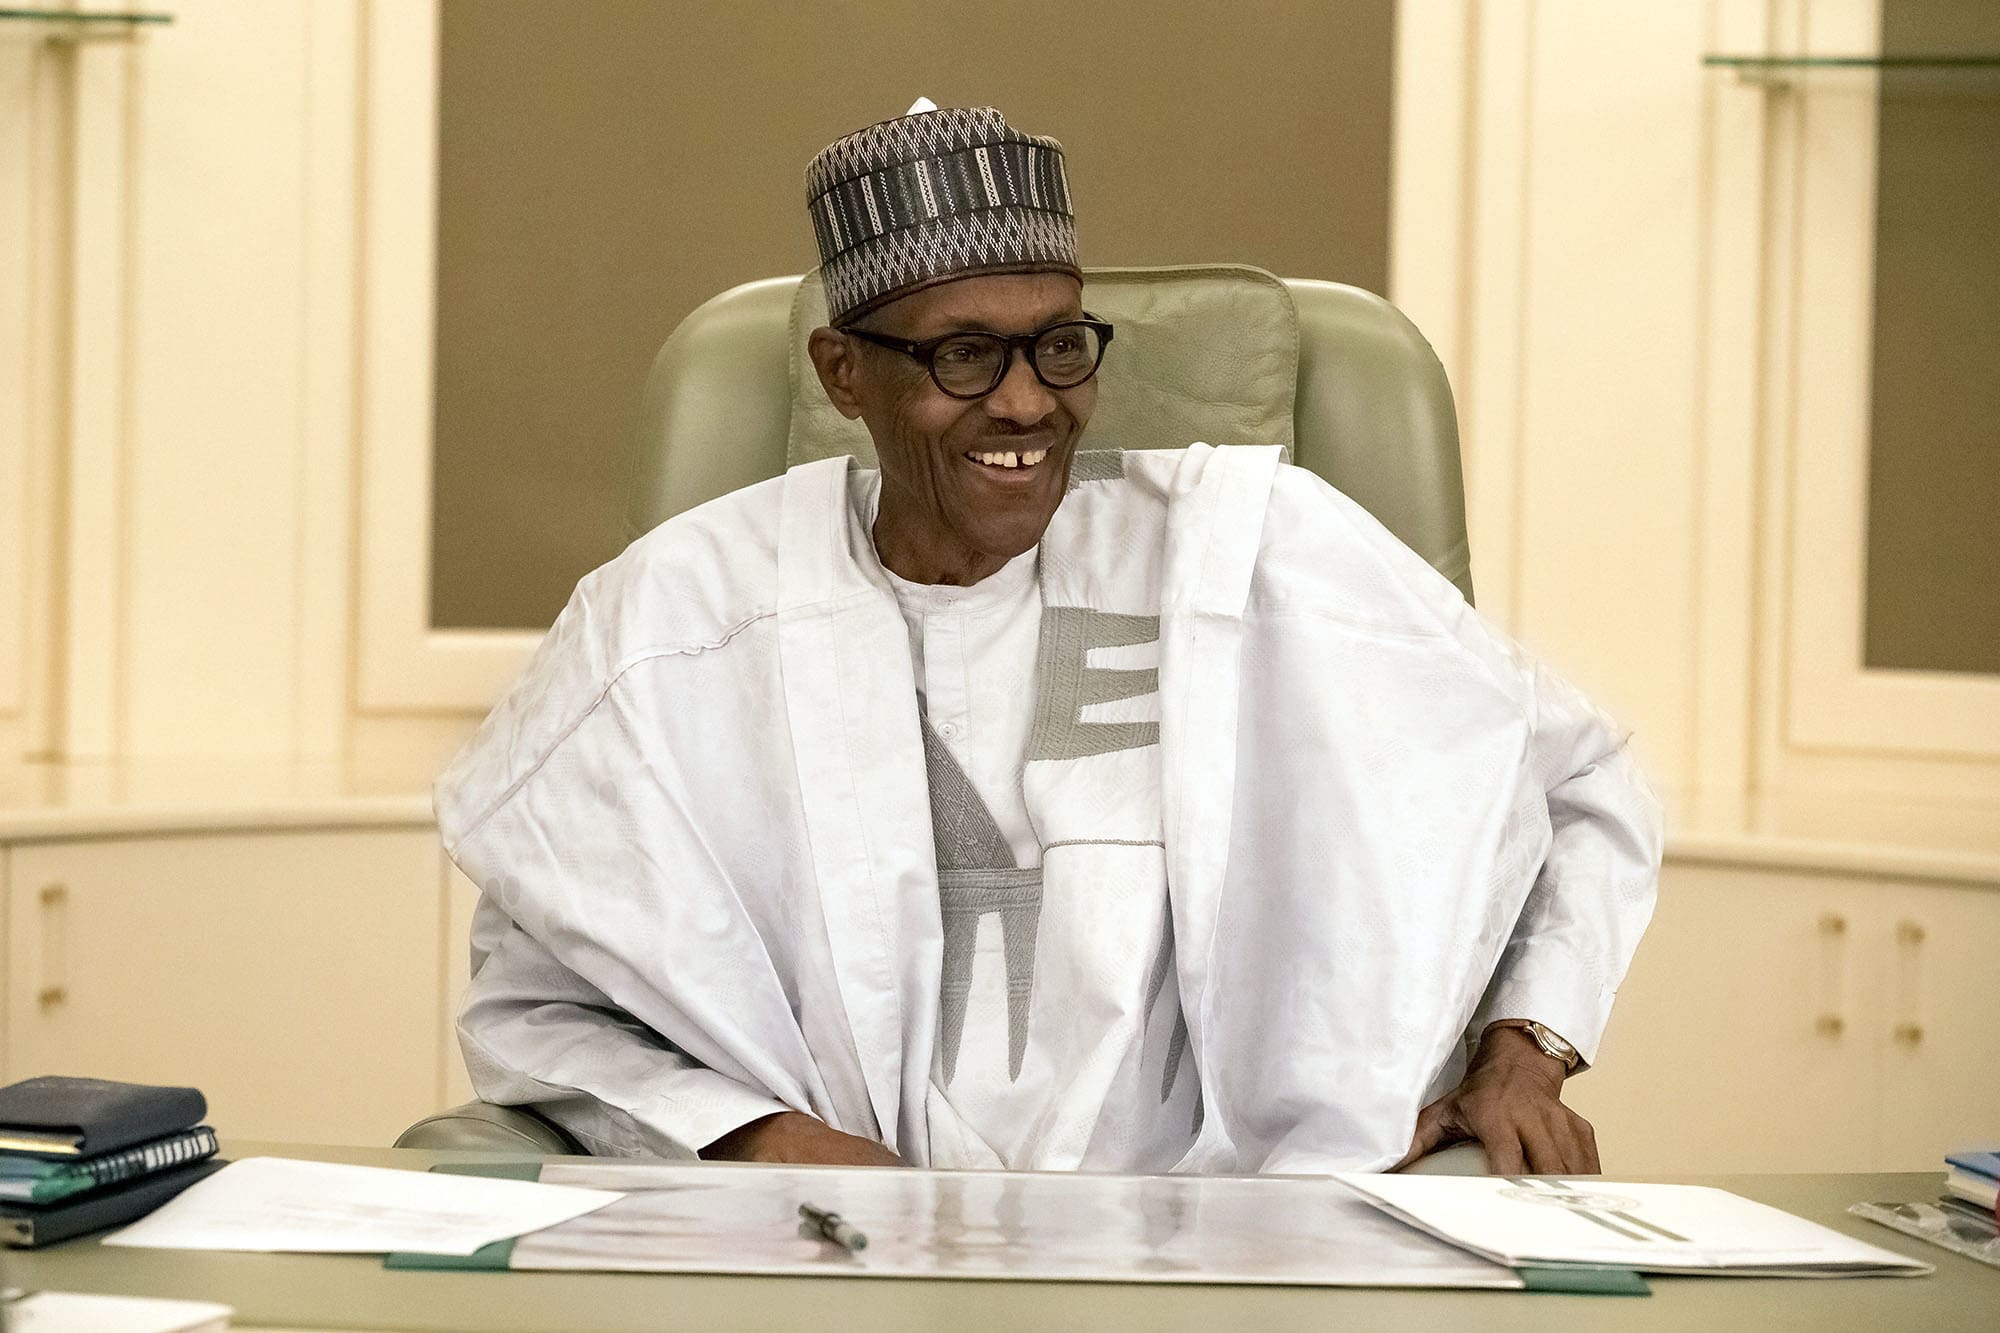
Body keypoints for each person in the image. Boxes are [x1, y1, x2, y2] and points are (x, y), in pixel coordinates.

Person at [437, 103, 1661, 1177]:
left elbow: (1581, 779)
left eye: (1059, 344)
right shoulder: (676, 616)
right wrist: (763, 1140)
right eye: (963, 355)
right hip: (832, 1251)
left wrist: (1527, 1052)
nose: (1026, 400)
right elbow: (544, 996)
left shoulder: (1253, 551)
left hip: (1243, 1228)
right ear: (842, 372)